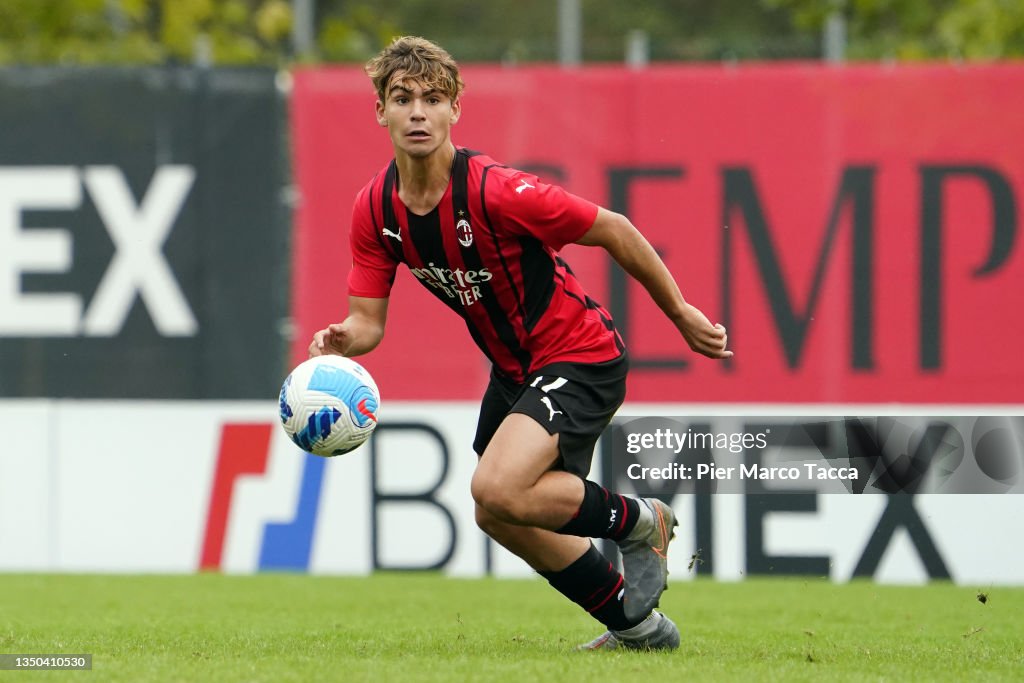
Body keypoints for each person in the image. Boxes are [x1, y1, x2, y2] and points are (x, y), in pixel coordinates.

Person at [309, 36, 731, 651]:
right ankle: (637, 627)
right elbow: (368, 323)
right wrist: (346, 338)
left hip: (580, 353)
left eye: (433, 98)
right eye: (402, 99)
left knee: (496, 488)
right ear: (381, 111)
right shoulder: (375, 209)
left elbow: (612, 228)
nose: (418, 112)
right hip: (516, 371)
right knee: (496, 510)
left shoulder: (497, 191)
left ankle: (643, 523)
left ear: (456, 109)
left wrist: (681, 312)